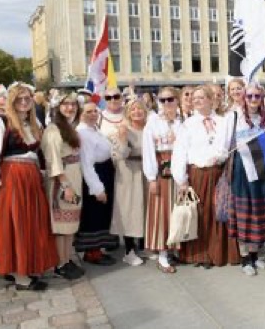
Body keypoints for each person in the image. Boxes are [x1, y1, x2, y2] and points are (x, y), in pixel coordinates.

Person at [0, 83, 58, 290]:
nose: (24, 102)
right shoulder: (1, 123)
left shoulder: (34, 124)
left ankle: (27, 267)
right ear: (11, 101)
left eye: (27, 98)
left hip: (31, 181)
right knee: (16, 225)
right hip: (12, 180)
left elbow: (39, 156)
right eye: (19, 99)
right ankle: (19, 275)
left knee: (31, 224)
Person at [172, 85, 239, 268]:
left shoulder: (223, 121)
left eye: (201, 97)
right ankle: (200, 255)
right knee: (200, 214)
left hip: (218, 172)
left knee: (219, 212)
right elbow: (180, 152)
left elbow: (226, 146)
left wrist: (220, 157)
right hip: (198, 174)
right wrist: (182, 180)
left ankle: (218, 252)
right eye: (194, 98)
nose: (197, 101)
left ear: (211, 100)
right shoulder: (188, 124)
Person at [228, 83, 265, 276]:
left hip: (262, 168)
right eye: (250, 96)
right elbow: (224, 145)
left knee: (260, 212)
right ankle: (244, 258)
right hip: (242, 169)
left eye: (257, 96)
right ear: (244, 97)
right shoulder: (234, 117)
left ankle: (255, 255)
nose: (254, 100)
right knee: (244, 213)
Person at [40, 92, 86, 280]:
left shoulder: (70, 127)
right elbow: (53, 161)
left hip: (74, 175)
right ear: (57, 107)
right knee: (60, 224)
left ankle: (67, 259)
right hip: (63, 178)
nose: (70, 107)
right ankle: (59, 264)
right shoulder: (53, 129)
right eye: (65, 104)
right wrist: (65, 185)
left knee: (70, 224)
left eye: (73, 104)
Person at [142, 87, 184, 273]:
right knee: (161, 212)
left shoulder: (184, 122)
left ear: (177, 100)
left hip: (181, 171)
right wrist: (151, 177)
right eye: (163, 100)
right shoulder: (153, 123)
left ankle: (175, 248)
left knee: (178, 211)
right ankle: (162, 253)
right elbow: (148, 151)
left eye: (170, 99)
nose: (167, 103)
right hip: (162, 171)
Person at [76, 100, 120, 265]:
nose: (93, 114)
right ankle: (92, 252)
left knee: (102, 213)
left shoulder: (94, 129)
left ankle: (99, 249)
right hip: (96, 173)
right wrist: (97, 188)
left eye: (95, 111)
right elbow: (86, 163)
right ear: (81, 114)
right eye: (89, 112)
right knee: (94, 214)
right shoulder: (82, 133)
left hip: (105, 170)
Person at [111, 99, 148, 266]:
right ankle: (129, 250)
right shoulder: (124, 129)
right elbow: (119, 155)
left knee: (145, 207)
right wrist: (124, 139)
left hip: (146, 171)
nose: (137, 112)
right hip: (128, 172)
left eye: (140, 109)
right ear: (128, 112)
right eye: (133, 109)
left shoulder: (149, 128)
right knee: (129, 208)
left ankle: (144, 244)